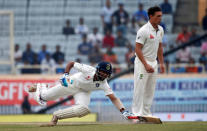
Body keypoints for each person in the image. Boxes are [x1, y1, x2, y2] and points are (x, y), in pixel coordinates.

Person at [28, 61, 132, 126]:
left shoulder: (104, 83)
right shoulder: (89, 70)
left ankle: (56, 116)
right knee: (42, 98)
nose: (104, 74)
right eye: (103, 72)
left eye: (106, 73)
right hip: (71, 84)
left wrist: (123, 111)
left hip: (83, 92)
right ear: (98, 70)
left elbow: (113, 98)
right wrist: (65, 75)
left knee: (84, 109)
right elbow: (71, 63)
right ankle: (40, 86)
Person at [132, 6, 165, 117]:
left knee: (150, 90)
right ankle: (136, 115)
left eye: (161, 16)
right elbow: (137, 49)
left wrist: (161, 63)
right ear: (151, 16)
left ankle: (146, 114)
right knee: (139, 89)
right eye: (158, 16)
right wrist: (145, 64)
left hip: (153, 63)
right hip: (142, 63)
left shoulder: (160, 29)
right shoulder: (143, 30)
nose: (160, 18)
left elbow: (160, 47)